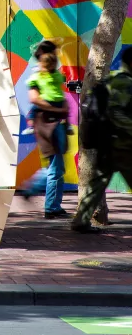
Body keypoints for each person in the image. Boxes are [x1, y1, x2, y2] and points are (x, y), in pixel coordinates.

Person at [72, 46, 132, 233]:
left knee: (96, 185)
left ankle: (80, 221)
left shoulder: (111, 79)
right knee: (97, 184)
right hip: (122, 146)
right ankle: (80, 222)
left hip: (106, 144)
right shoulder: (126, 83)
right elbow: (115, 112)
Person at [23, 52, 71, 218]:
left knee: (56, 166)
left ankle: (52, 205)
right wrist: (58, 109)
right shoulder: (38, 78)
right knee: (55, 168)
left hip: (54, 123)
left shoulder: (51, 78)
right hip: (49, 124)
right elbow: (35, 99)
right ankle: (49, 205)